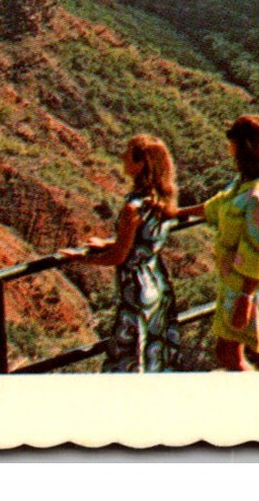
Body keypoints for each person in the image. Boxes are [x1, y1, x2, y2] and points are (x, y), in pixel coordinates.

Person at [177, 114, 259, 371]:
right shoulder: (247, 183)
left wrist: (245, 297)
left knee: (257, 354)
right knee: (239, 351)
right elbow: (220, 205)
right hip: (236, 285)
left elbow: (258, 247)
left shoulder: (258, 196)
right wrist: (178, 212)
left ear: (243, 147)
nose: (229, 149)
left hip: (251, 289)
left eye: (233, 143)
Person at [77, 134, 182, 373]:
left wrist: (81, 258)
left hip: (135, 289)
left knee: (130, 357)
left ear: (141, 163)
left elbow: (119, 257)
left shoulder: (132, 208)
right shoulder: (161, 202)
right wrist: (106, 244)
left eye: (128, 154)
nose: (123, 157)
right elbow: (140, 242)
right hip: (158, 283)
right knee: (154, 354)